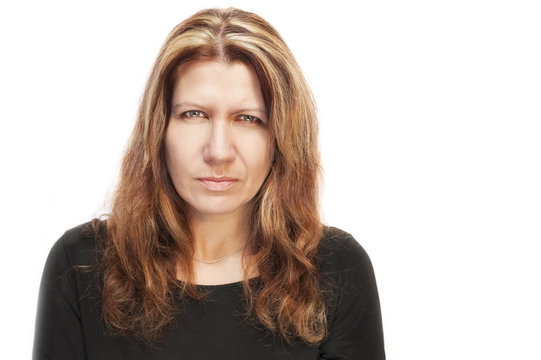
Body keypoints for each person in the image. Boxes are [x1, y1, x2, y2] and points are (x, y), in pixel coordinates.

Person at [33, 8, 385, 360]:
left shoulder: (335, 268)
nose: (218, 151)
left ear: (282, 137)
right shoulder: (82, 265)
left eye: (248, 118)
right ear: (159, 129)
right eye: (194, 114)